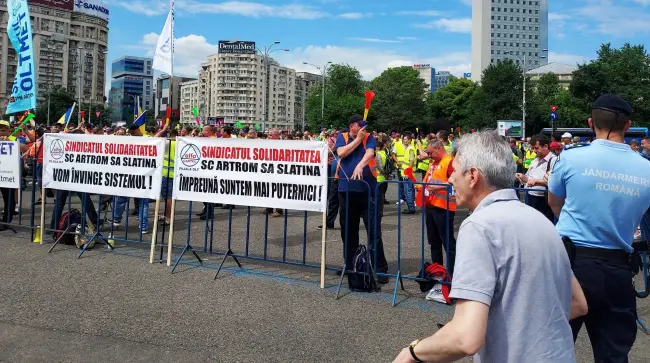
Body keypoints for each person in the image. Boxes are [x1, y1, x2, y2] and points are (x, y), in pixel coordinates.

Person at [393, 131, 587, 363]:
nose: (451, 179)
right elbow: (577, 303)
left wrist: (413, 352)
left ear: (473, 176)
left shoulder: (479, 226)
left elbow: (465, 338)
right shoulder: (543, 222)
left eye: (454, 171)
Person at [548, 94, 650, 362]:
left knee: (552, 346)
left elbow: (554, 203)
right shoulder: (646, 169)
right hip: (616, 267)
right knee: (613, 353)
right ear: (628, 127)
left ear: (591, 122)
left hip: (570, 263)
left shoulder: (571, 158)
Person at [336, 115, 388, 284]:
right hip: (347, 191)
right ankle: (350, 265)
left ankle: (380, 269)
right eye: (361, 127)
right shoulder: (342, 137)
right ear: (352, 127)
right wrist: (357, 140)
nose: (364, 130)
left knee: (373, 231)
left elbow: (370, 153)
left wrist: (360, 165)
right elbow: (342, 153)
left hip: (368, 191)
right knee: (348, 231)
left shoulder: (369, 137)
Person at [417, 138, 457, 276]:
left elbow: (456, 183)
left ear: (439, 149)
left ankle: (452, 275)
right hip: (430, 205)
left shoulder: (450, 162)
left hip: (443, 207)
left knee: (448, 243)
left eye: (430, 153)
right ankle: (437, 272)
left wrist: (438, 187)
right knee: (433, 241)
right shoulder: (434, 162)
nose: (428, 155)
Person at [516, 134, 556, 221]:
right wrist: (522, 177)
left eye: (536, 148)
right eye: (533, 148)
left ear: (545, 146)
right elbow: (529, 178)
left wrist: (536, 181)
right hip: (531, 198)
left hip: (544, 201)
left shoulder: (554, 160)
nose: (534, 151)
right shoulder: (535, 160)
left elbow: (555, 181)